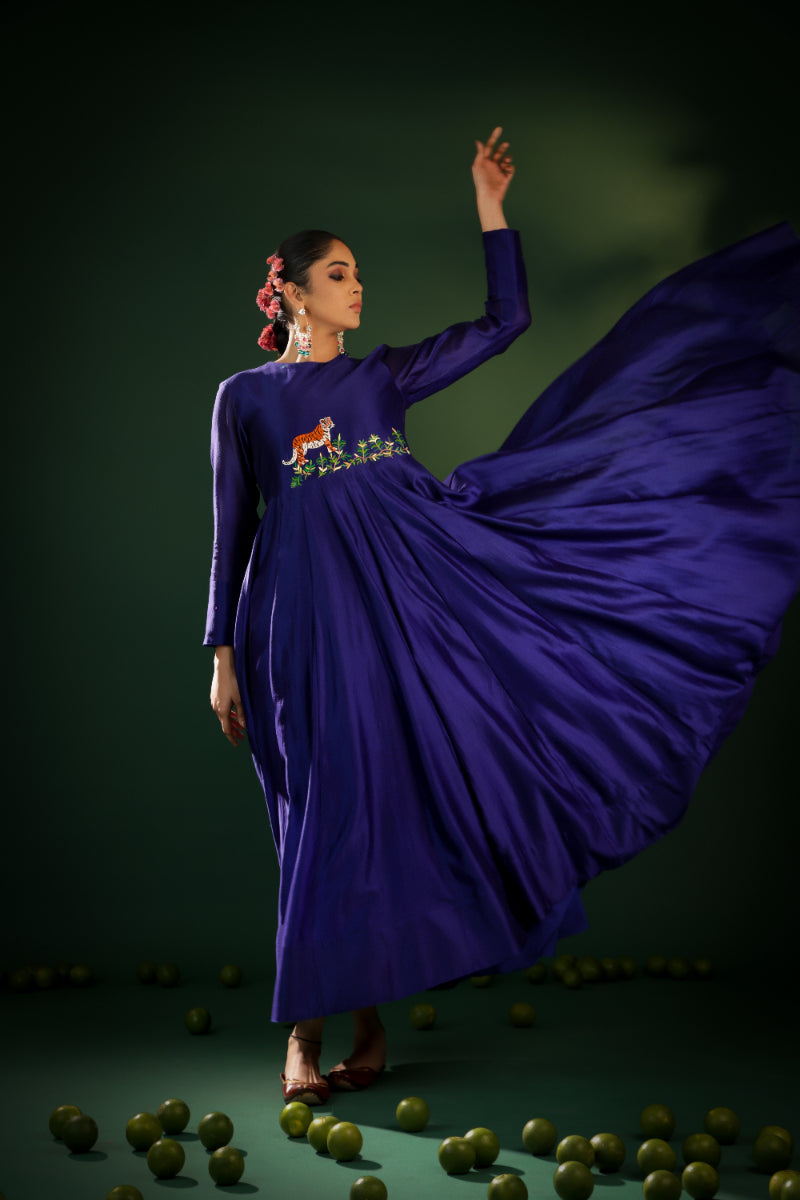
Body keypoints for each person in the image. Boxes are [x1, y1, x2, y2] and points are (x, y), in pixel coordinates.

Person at [204, 127, 800, 1106]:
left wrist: (490, 204)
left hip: (410, 608)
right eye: (339, 274)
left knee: (392, 802)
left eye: (357, 273)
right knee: (318, 813)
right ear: (295, 295)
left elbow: (504, 320)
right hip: (298, 624)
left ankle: (362, 1029)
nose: (358, 287)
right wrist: (222, 654)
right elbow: (233, 528)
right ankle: (307, 1035)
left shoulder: (381, 377)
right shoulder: (244, 400)